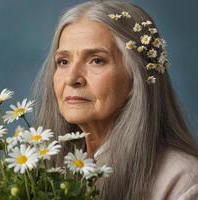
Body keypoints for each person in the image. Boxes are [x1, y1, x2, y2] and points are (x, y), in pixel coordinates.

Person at [31, 1, 198, 199]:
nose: (71, 78)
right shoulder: (42, 169)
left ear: (137, 77)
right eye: (63, 62)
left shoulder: (182, 179)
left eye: (97, 60)